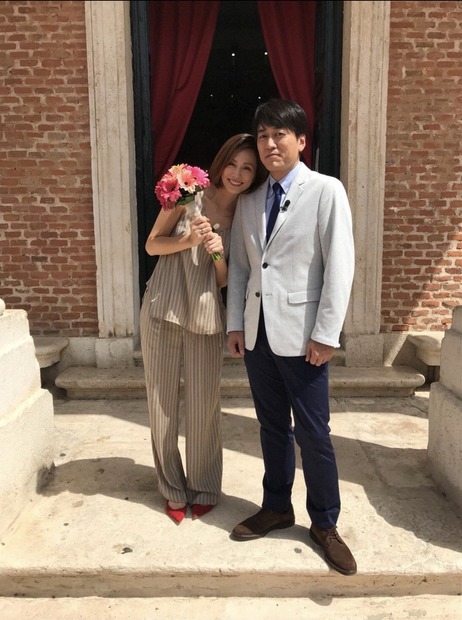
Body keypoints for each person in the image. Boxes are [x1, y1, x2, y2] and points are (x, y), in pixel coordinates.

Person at [226, 99, 357, 575]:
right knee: (271, 426)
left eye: (279, 134)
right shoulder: (249, 200)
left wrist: (326, 334)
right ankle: (277, 506)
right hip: (258, 335)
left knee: (314, 433)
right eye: (262, 135)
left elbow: (339, 266)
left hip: (304, 338)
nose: (269, 143)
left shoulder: (325, 190)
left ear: (301, 141)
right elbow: (241, 268)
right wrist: (236, 324)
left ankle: (325, 523)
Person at [140, 133, 267, 525]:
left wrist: (216, 254)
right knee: (161, 405)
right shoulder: (186, 193)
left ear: (255, 175)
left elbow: (226, 279)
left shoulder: (247, 215)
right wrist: (188, 240)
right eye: (232, 164)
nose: (237, 174)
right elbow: (152, 245)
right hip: (162, 308)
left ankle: (206, 486)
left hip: (207, 313)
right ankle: (172, 489)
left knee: (204, 407)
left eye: (247, 168)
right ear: (220, 162)